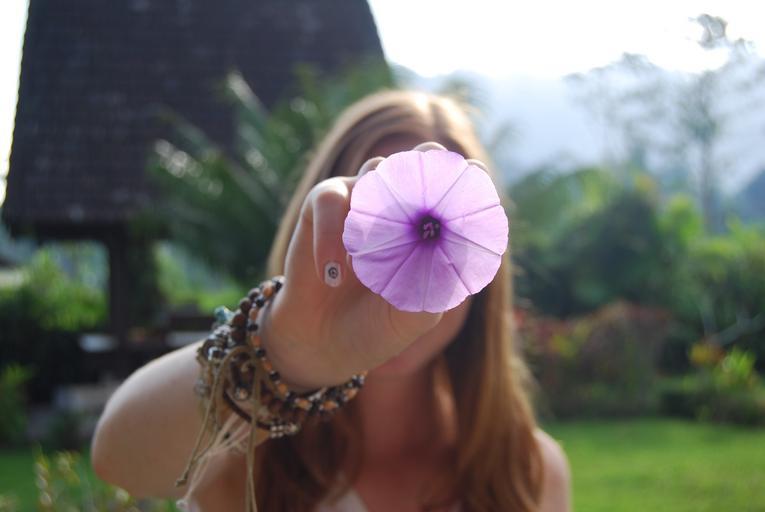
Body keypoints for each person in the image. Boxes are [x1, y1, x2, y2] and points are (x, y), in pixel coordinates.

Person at [91, 90, 571, 511]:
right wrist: (285, 354)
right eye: (374, 228)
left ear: (482, 276)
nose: (395, 282)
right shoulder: (246, 454)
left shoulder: (528, 471)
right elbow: (119, 460)